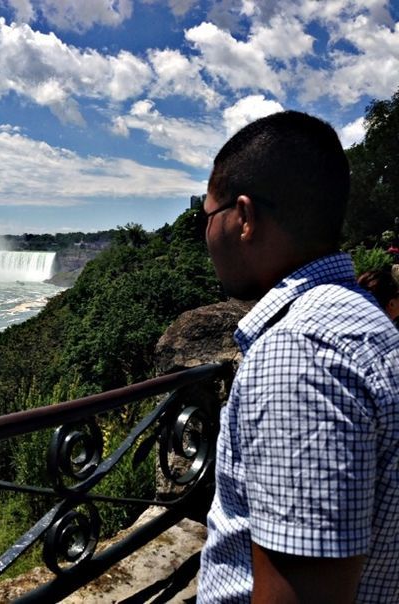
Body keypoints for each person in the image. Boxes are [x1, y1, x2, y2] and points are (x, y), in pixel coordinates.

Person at [197, 111, 399, 603]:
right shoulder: (364, 320)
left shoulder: (301, 355)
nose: (205, 235)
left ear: (243, 218)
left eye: (206, 214)